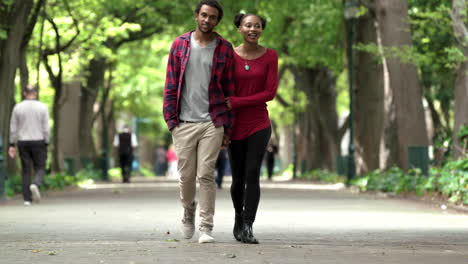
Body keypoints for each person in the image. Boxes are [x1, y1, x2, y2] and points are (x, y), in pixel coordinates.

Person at [162, 0, 235, 244]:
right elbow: (170, 84)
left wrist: (228, 126)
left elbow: (229, 89)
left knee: (206, 174)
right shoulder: (180, 45)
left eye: (212, 17)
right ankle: (188, 210)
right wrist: (171, 121)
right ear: (196, 16)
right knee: (186, 177)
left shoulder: (225, 48)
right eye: (204, 15)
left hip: (212, 121)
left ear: (217, 21)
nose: (207, 20)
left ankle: (206, 225)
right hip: (183, 122)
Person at [225, 13, 278, 244]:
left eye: (257, 26)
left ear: (261, 30)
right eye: (248, 25)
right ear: (239, 28)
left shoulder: (270, 56)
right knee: (237, 178)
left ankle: (248, 225)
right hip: (234, 125)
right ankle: (238, 217)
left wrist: (237, 101)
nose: (252, 29)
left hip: (258, 123)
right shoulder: (228, 55)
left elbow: (270, 93)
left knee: (253, 173)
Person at [8, 85, 50, 206]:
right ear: (35, 93)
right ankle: (35, 184)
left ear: (24, 93)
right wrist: (47, 141)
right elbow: (46, 127)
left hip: (23, 142)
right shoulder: (42, 107)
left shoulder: (18, 108)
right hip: (39, 141)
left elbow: (13, 127)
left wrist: (12, 144)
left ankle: (27, 199)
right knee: (40, 167)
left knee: (26, 169)